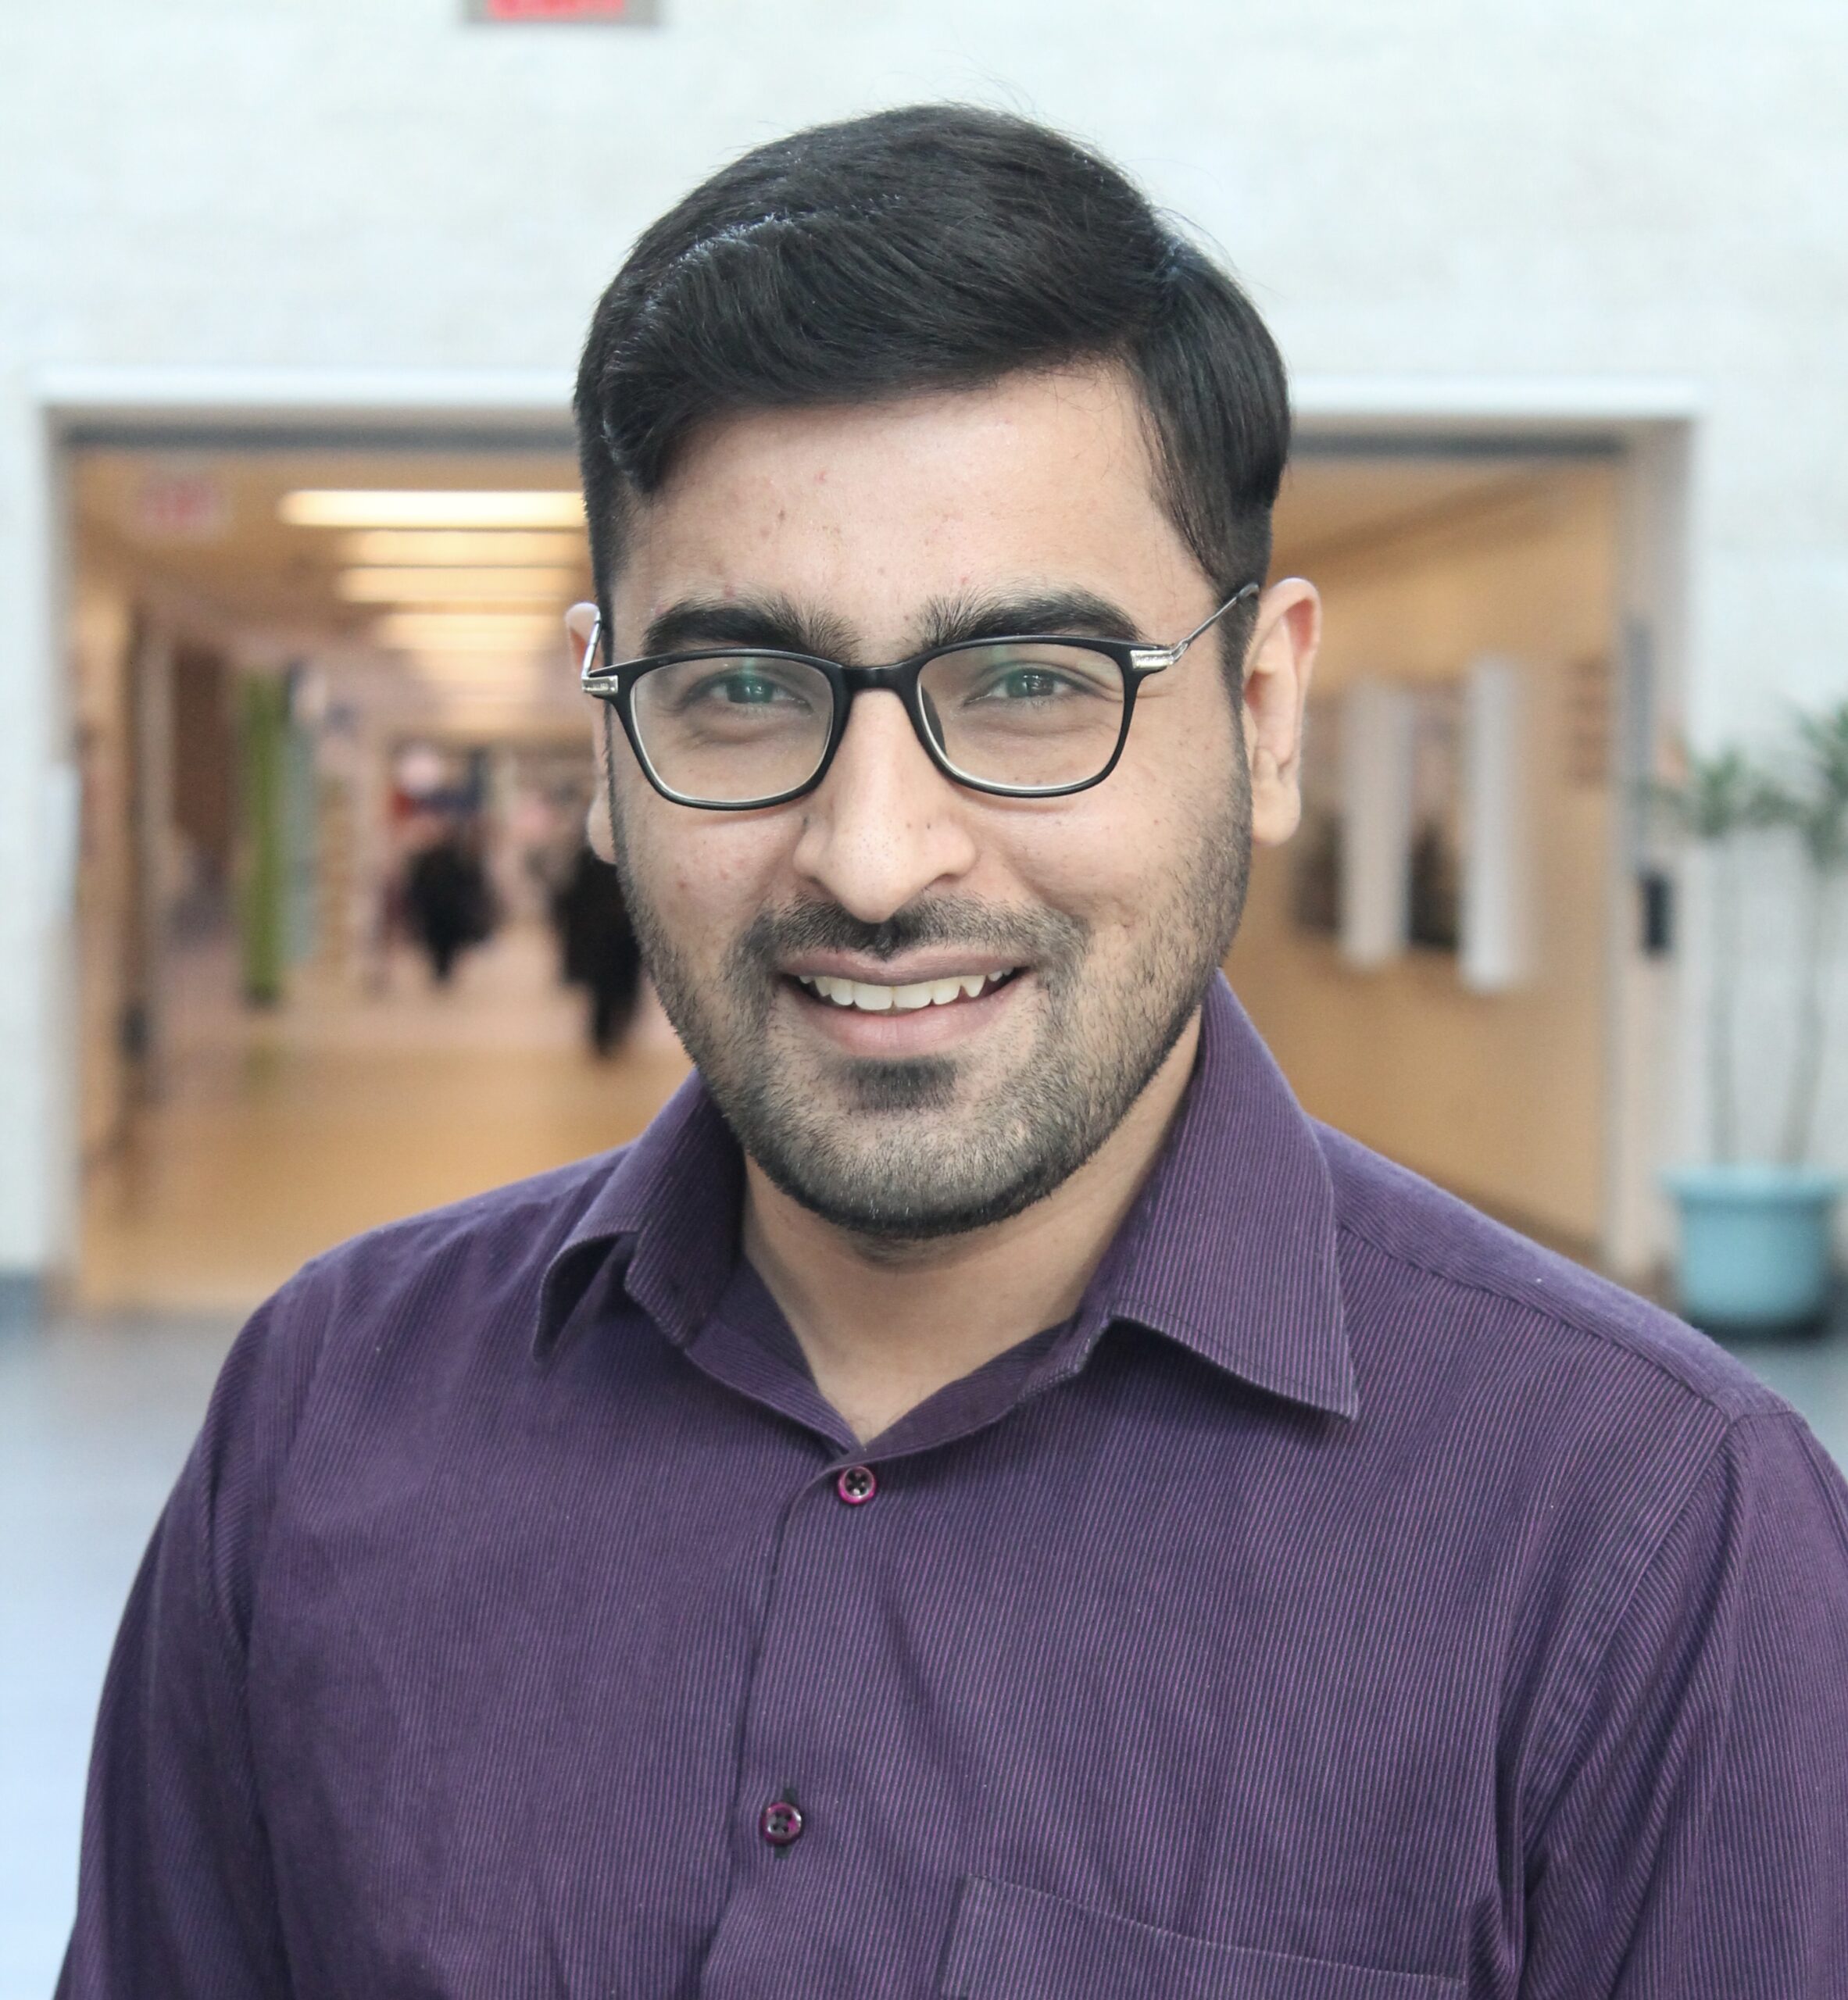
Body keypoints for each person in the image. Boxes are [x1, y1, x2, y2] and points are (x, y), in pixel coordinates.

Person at [61, 107, 1848, 1998]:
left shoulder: (1647, 1535)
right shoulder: (332, 1411)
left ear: (1257, 712)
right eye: (740, 690)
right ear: (603, 735)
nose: (872, 854)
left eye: (1026, 685)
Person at [552, 840, 644, 1055]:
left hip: (618, 936)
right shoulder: (618, 856)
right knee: (609, 989)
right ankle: (603, 1035)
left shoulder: (624, 856)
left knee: (618, 989)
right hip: (609, 936)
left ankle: (608, 1033)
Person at [402, 814, 493, 985]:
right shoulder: (426, 860)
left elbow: (468, 882)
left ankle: (445, 970)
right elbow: (417, 884)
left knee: (447, 943)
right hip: (434, 910)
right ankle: (440, 969)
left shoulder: (457, 859)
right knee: (435, 942)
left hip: (450, 910)